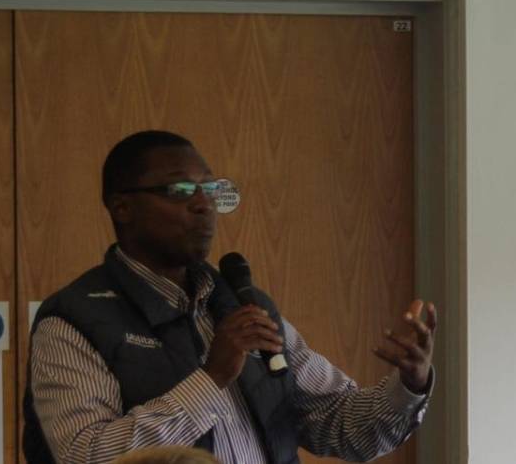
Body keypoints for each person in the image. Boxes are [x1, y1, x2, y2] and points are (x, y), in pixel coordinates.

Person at [23, 130, 437, 464]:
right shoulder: (75, 320)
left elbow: (342, 427)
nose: (204, 205)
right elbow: (87, 454)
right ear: (122, 208)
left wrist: (408, 385)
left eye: (211, 189)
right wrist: (212, 379)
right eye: (181, 189)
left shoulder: (243, 305)